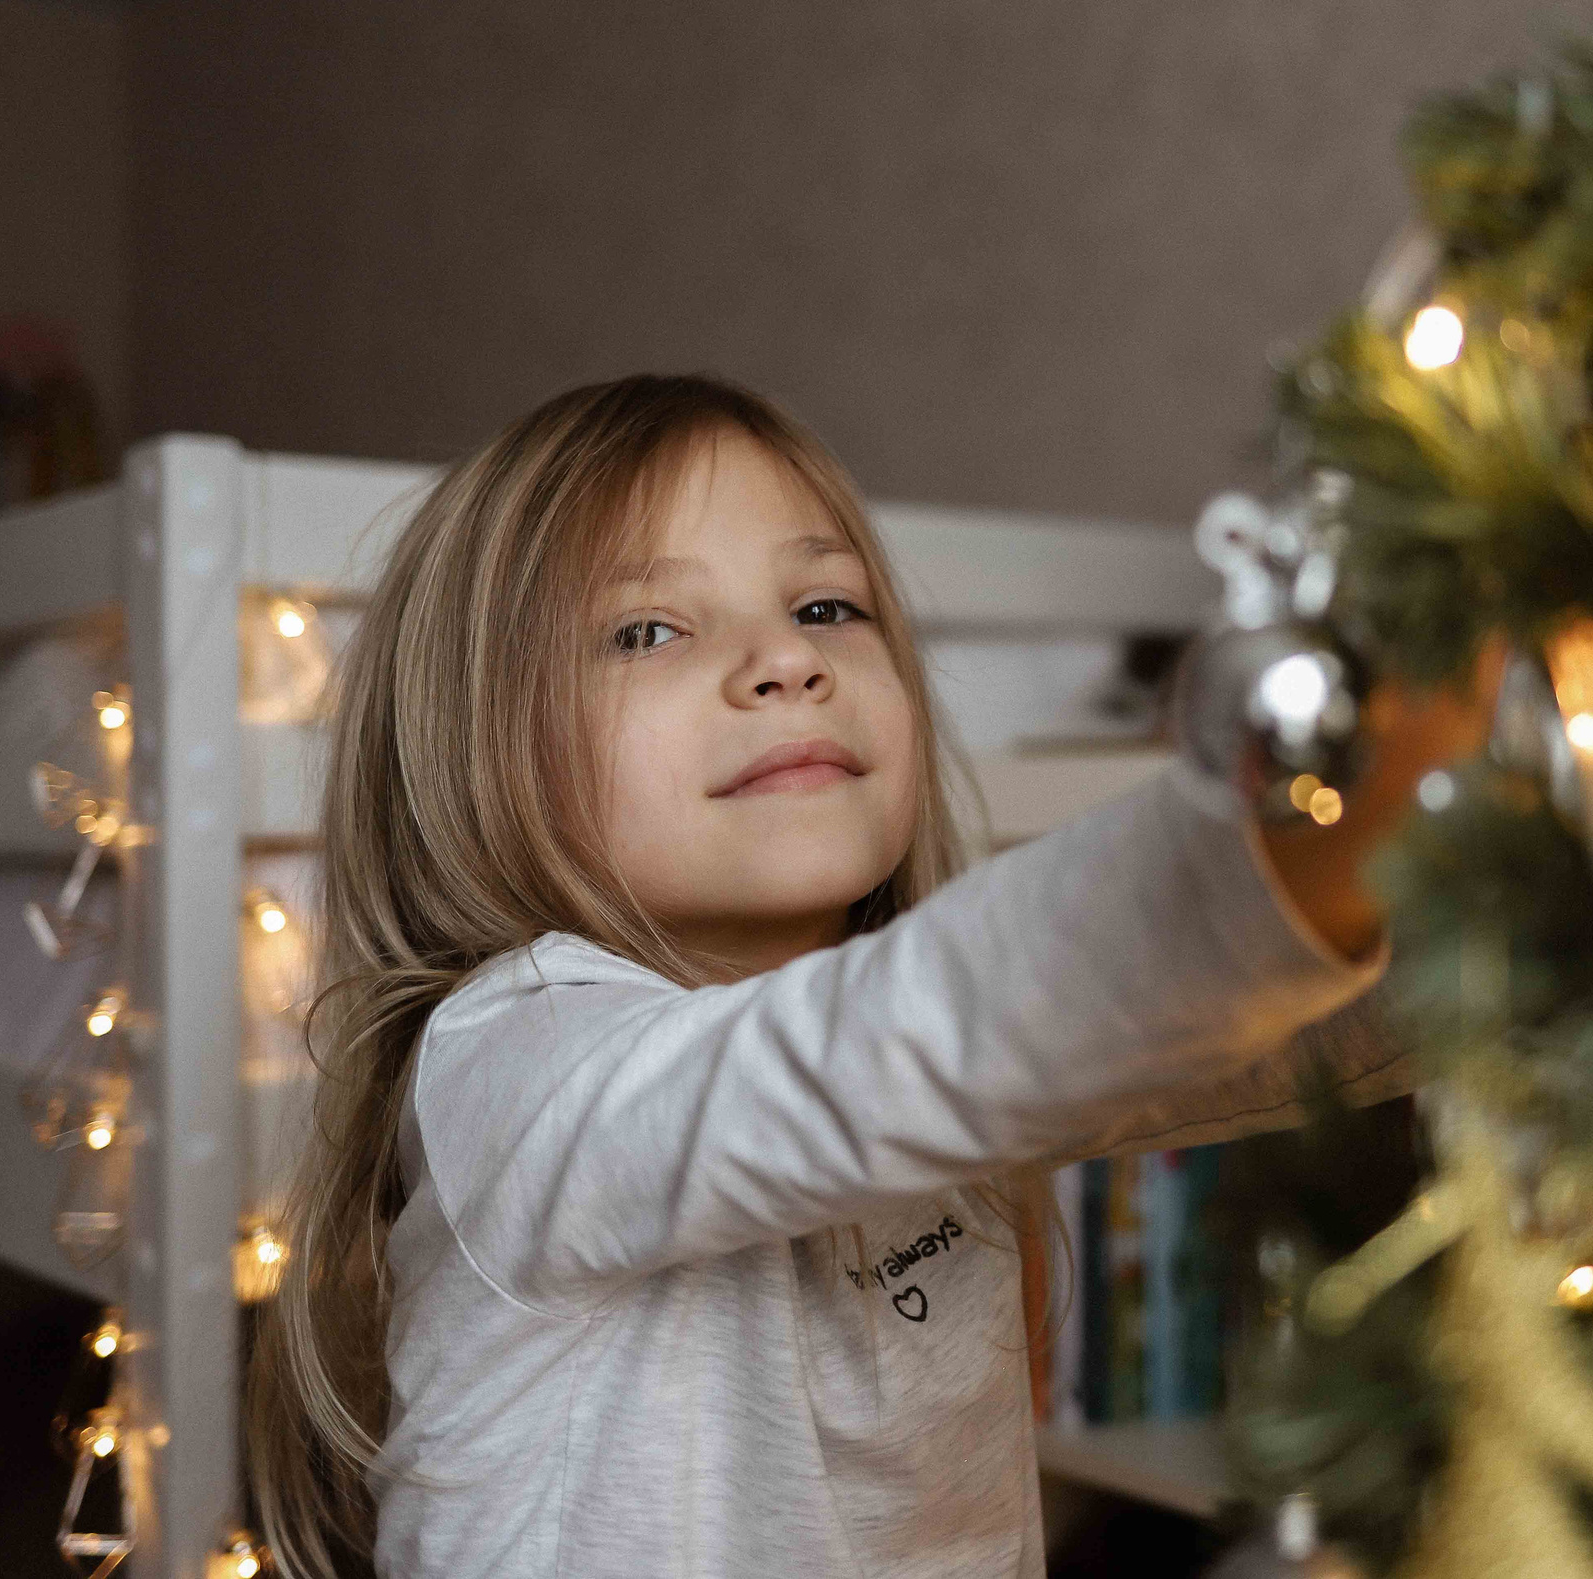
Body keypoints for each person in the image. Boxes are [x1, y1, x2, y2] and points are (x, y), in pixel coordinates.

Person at [246, 373, 1492, 1577]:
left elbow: (1256, 1030)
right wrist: (1300, 830)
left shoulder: (946, 1067)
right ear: (476, 750)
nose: (785, 663)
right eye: (647, 630)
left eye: (827, 608)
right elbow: (896, 1047)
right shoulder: (511, 1061)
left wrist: (1519, 909)